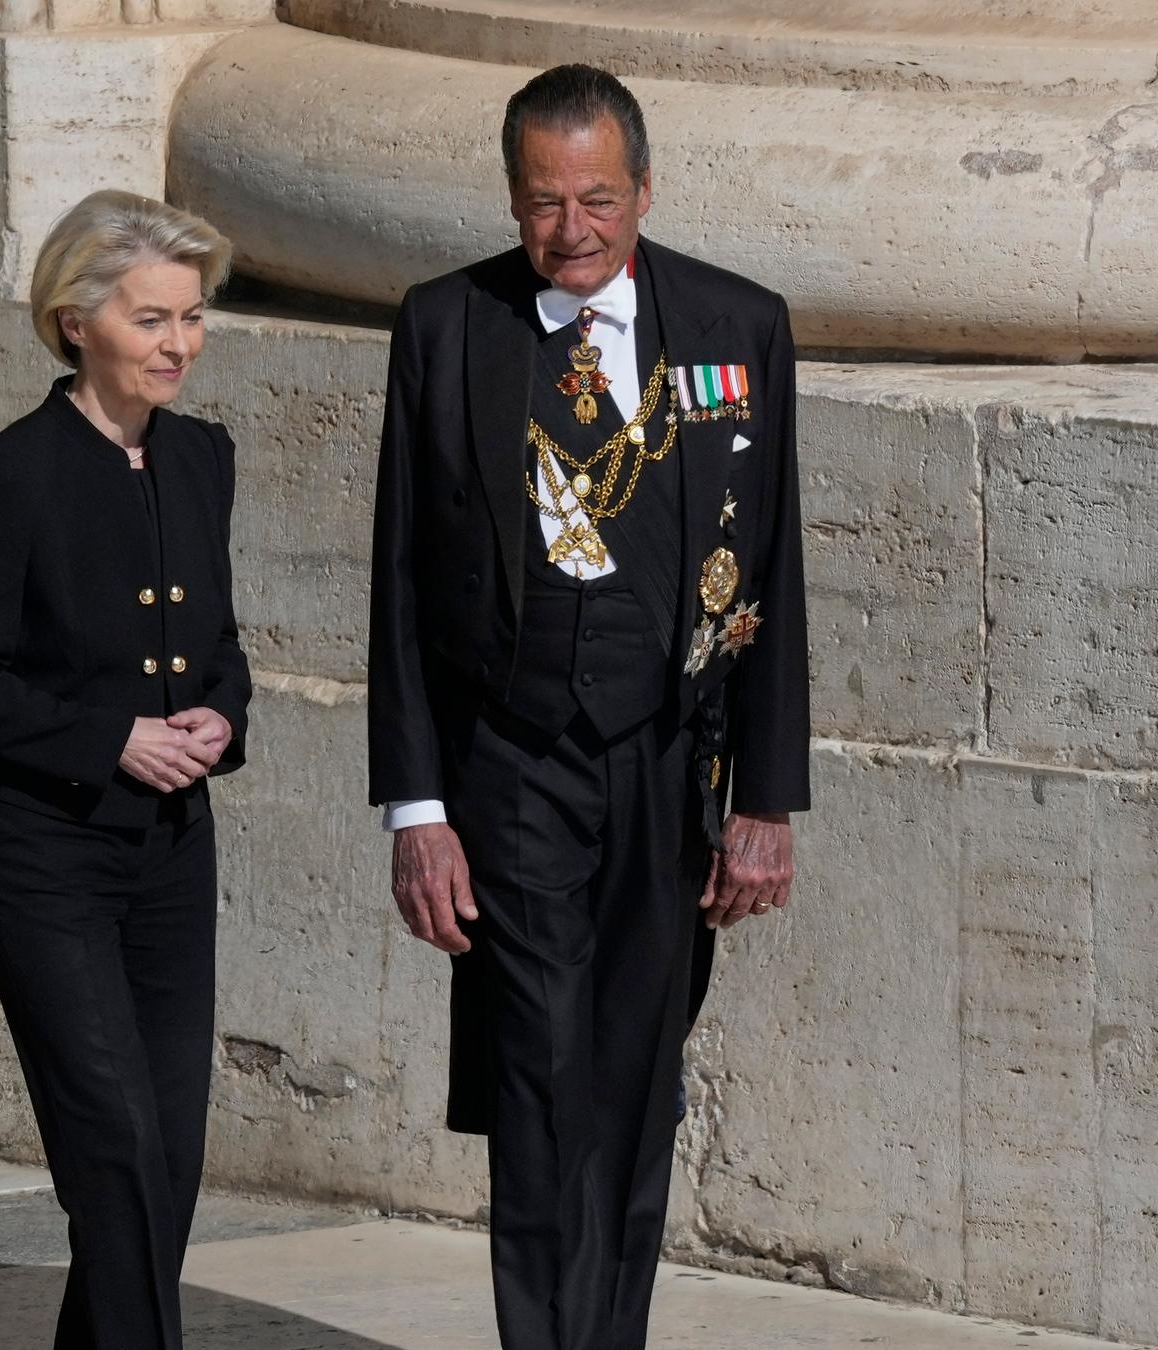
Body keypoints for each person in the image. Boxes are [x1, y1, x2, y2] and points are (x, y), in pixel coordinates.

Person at [367, 63, 812, 1350]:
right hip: (512, 766)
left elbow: (773, 570)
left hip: (671, 767)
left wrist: (766, 800)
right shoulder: (446, 326)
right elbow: (399, 576)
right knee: (539, 1079)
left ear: (645, 192)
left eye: (599, 199)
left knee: (636, 1084)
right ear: (512, 197)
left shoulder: (738, 327)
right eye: (545, 202)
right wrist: (418, 807)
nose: (573, 230)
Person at [0, 189, 250, 1350]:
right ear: (77, 322)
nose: (180, 345)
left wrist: (218, 716)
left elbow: (218, 645)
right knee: (113, 1151)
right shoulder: (7, 473)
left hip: (170, 850)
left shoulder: (204, 459)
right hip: (43, 849)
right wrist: (109, 737)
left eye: (192, 318)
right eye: (153, 320)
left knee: (170, 1152)